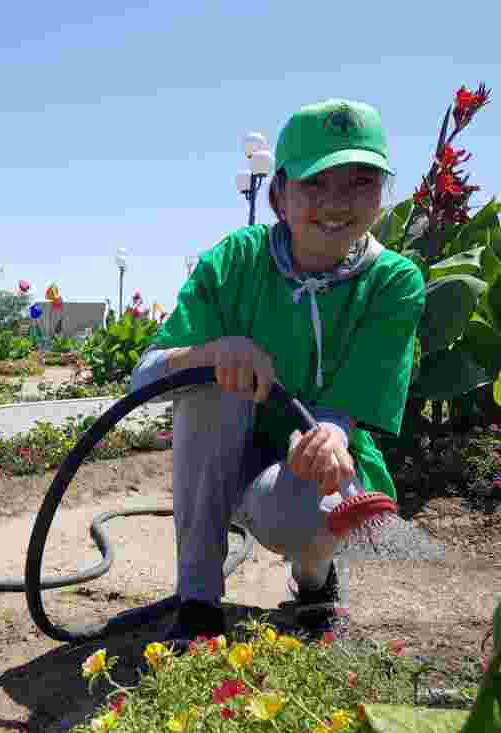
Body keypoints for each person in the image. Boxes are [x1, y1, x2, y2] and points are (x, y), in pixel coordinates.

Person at [130, 99, 425, 644]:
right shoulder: (236, 261)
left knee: (307, 506)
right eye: (314, 183)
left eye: (360, 181)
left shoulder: (393, 281)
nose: (336, 203)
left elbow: (355, 403)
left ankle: (314, 583)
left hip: (301, 475)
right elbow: (145, 381)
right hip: (219, 464)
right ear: (278, 195)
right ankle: (197, 602)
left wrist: (331, 435)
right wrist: (214, 351)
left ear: (382, 195)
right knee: (209, 384)